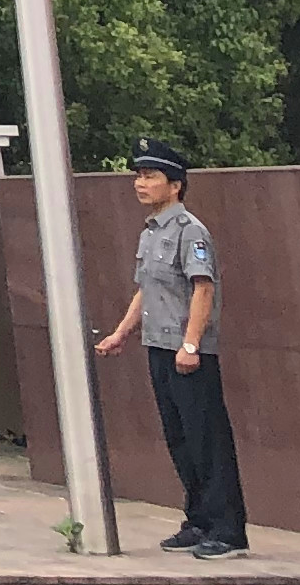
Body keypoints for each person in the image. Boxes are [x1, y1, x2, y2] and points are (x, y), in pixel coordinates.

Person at [96, 140, 246, 558]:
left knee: (206, 439)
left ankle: (228, 530)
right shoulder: (151, 232)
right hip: (158, 346)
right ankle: (198, 520)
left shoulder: (190, 231)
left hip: (187, 352)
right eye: (138, 176)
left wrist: (191, 344)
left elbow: (203, 289)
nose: (139, 183)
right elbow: (146, 289)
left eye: (150, 176)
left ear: (176, 185)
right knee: (180, 439)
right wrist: (121, 333)